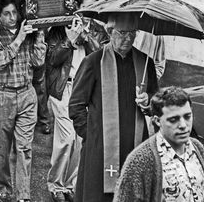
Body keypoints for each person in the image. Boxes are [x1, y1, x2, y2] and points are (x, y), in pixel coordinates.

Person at [68, 13, 159, 202]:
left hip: (134, 146)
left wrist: (148, 100)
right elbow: (76, 105)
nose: (128, 38)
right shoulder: (94, 61)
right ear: (110, 31)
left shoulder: (146, 62)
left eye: (132, 33)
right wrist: (92, 135)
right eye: (122, 33)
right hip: (100, 148)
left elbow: (157, 102)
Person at [114, 87, 204, 202]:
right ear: (157, 121)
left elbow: (203, 193)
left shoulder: (197, 148)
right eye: (174, 119)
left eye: (187, 116)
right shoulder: (140, 161)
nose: (183, 125)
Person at [0, 0, 47, 202]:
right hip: (2, 95)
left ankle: (23, 194)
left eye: (15, 12)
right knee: (2, 148)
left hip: (26, 93)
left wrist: (39, 35)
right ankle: (3, 189)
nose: (12, 17)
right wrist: (19, 38)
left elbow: (38, 62)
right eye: (7, 14)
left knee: (24, 147)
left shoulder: (28, 32)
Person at [45, 15, 101, 202]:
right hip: (63, 88)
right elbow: (52, 59)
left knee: (79, 139)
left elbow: (101, 56)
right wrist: (69, 39)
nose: (82, 19)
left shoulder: (93, 30)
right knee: (67, 138)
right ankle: (55, 184)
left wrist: (86, 37)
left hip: (84, 89)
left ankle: (69, 185)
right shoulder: (57, 30)